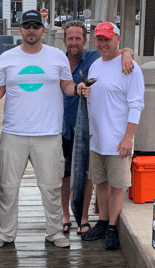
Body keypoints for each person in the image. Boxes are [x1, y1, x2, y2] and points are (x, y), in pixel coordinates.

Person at [0, 10, 91, 249]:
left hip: (48, 134)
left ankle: (54, 232)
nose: (31, 30)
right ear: (20, 29)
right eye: (26, 25)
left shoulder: (57, 56)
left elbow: (66, 85)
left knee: (51, 188)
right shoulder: (7, 58)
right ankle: (5, 233)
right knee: (7, 188)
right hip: (13, 134)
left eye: (35, 26)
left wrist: (77, 89)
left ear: (42, 29)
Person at [61, 20, 135, 234]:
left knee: (89, 175)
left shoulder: (94, 58)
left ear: (85, 40)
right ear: (64, 41)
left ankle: (83, 218)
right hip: (63, 127)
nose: (73, 42)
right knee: (65, 175)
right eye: (70, 38)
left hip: (88, 132)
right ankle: (66, 216)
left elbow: (117, 50)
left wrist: (127, 54)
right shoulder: (57, 60)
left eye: (78, 38)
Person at [81, 21, 144, 250]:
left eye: (107, 38)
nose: (102, 43)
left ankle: (112, 227)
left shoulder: (130, 67)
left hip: (119, 141)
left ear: (117, 39)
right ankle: (103, 221)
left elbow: (136, 105)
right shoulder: (95, 65)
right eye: (99, 38)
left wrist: (128, 137)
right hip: (95, 140)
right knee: (101, 183)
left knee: (118, 186)